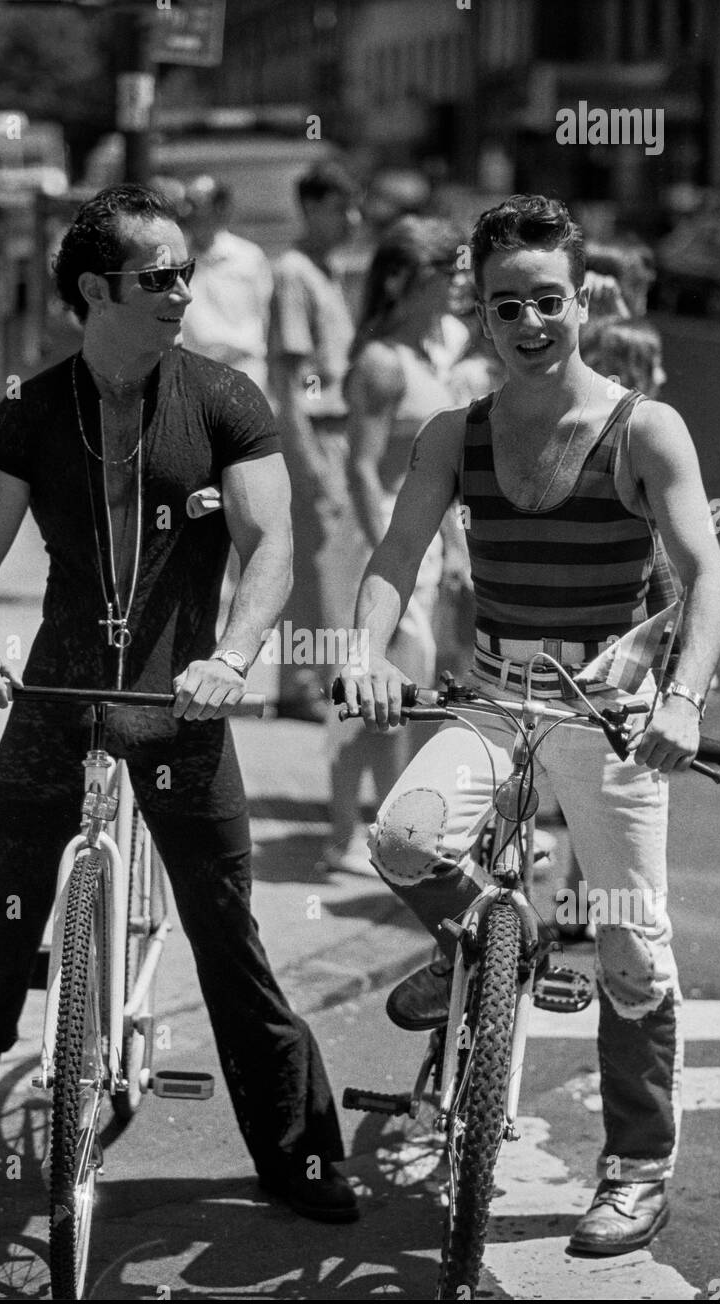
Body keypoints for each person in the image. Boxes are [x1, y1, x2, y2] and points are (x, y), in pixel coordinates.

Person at [0, 184, 357, 1225]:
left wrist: (233, 658)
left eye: (185, 272)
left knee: (224, 936)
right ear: (94, 289)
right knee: (1, 925)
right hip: (58, 693)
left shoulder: (225, 397)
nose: (181, 292)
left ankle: (297, 1152)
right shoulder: (30, 408)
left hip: (181, 703)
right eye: (158, 277)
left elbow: (271, 543)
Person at [339, 195, 720, 1255]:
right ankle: (478, 940)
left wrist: (683, 701)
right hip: (491, 693)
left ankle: (635, 1170)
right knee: (402, 837)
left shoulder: (642, 427)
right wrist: (362, 649)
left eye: (547, 302)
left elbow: (706, 577)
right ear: (478, 307)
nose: (527, 323)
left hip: (607, 713)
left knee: (629, 946)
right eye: (504, 303)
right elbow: (394, 556)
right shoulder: (453, 433)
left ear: (582, 300)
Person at [317, 216, 466, 875]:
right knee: (367, 688)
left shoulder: (424, 359)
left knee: (402, 692)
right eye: (449, 273)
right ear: (409, 279)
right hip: (375, 539)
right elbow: (360, 465)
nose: (460, 285)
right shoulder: (380, 363)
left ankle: (385, 834)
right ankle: (342, 838)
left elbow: (441, 472)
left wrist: (453, 547)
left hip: (415, 542)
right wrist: (391, 559)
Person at [268, 159, 359, 721]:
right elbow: (294, 376)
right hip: (315, 429)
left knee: (320, 562)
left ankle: (304, 683)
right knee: (320, 563)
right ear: (309, 209)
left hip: (335, 429)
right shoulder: (295, 273)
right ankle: (314, 685)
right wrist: (305, 451)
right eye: (338, 208)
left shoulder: (327, 269)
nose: (350, 219)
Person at [177, 175, 274, 392]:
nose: (187, 211)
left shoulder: (249, 257)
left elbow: (267, 316)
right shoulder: (177, 261)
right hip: (193, 376)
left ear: (220, 209)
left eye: (196, 204)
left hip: (245, 371)